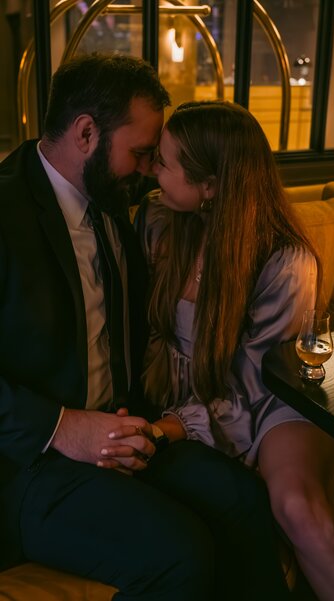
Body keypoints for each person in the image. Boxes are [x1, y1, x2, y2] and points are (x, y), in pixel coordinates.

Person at [0, 56, 291, 601]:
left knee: (244, 500)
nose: (146, 171)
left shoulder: (116, 204)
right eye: (139, 154)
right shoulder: (6, 210)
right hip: (30, 462)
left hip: (126, 428)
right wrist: (62, 427)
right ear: (87, 132)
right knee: (179, 553)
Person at [102, 100, 334, 601]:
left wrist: (173, 425)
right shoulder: (158, 220)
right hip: (196, 399)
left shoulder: (284, 258)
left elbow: (254, 383)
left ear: (210, 187)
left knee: (299, 506)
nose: (153, 168)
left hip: (274, 400)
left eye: (166, 162)